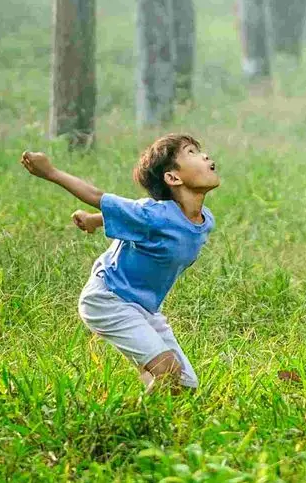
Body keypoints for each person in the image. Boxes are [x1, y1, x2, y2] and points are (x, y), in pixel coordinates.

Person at [20, 134, 220, 390]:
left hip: (144, 309)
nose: (204, 156)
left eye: (200, 151)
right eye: (191, 152)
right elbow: (98, 196)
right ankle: (125, 422)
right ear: (173, 178)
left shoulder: (205, 220)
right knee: (168, 372)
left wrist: (94, 220)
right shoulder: (154, 214)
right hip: (109, 299)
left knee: (184, 386)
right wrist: (50, 172)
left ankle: (149, 392)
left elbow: (134, 219)